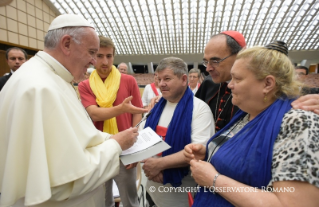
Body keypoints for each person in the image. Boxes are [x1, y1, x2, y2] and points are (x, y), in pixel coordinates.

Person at [0, 14, 139, 207]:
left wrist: (108, 140)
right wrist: (116, 145)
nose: (94, 61)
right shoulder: (41, 88)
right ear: (66, 44)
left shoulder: (49, 78)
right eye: (92, 52)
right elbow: (66, 182)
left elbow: (77, 138)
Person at [184, 41, 319, 207]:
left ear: (268, 84)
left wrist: (213, 180)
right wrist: (211, 152)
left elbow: (293, 203)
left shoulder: (299, 121)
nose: (230, 84)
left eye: (237, 79)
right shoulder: (247, 113)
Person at [196, 30, 319, 131]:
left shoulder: (264, 87)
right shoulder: (208, 83)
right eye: (206, 62)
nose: (208, 68)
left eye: (215, 61)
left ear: (240, 54)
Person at [78, 36, 144, 207]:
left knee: (130, 200)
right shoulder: (85, 85)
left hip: (125, 148)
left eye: (109, 56)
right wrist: (121, 109)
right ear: (93, 58)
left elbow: (137, 113)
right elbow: (95, 114)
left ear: (114, 57)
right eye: (100, 56)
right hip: (98, 150)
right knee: (101, 200)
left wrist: (134, 145)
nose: (105, 61)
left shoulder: (129, 80)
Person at [140, 57, 215, 207]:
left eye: (167, 78)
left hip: (180, 192)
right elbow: (142, 137)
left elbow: (197, 152)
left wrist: (159, 165)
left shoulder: (200, 109)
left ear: (183, 79)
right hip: (151, 185)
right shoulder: (156, 107)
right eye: (159, 79)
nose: (161, 84)